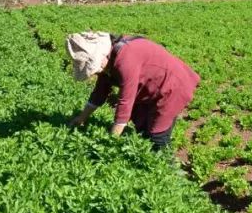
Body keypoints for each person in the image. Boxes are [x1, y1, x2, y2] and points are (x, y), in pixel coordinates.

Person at [66, 31, 199, 150]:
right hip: (149, 88)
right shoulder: (110, 59)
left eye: (95, 65)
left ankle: (169, 170)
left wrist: (111, 141)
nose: (99, 70)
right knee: (142, 128)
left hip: (171, 86)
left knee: (157, 135)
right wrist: (82, 118)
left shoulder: (125, 59)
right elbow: (100, 92)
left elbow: (126, 101)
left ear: (103, 55)